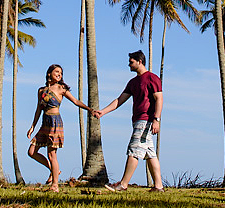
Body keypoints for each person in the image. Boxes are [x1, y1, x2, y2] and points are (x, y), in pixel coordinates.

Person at [93, 49, 163, 192]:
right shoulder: (133, 82)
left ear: (140, 62)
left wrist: (156, 119)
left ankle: (123, 184)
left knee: (134, 151)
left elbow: (159, 99)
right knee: (150, 154)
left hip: (146, 120)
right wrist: (103, 112)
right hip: (137, 120)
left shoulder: (152, 78)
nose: (129, 65)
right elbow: (119, 100)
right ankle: (159, 186)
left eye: (131, 62)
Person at [26, 63, 90, 192]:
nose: (59, 74)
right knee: (32, 152)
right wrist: (33, 126)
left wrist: (89, 109)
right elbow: (39, 108)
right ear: (49, 73)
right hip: (45, 123)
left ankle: (55, 185)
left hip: (55, 123)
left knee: (52, 154)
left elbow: (75, 101)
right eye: (57, 72)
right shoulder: (41, 91)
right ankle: (54, 170)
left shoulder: (61, 88)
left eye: (61, 73)